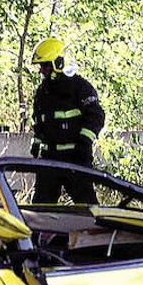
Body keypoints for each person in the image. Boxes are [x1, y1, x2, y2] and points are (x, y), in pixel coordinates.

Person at [29, 37, 105, 204]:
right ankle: (43, 232)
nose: (42, 70)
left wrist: (84, 142)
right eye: (42, 66)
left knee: (87, 209)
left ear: (59, 62)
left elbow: (96, 116)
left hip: (76, 159)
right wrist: (37, 142)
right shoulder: (42, 92)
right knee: (41, 209)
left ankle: (95, 231)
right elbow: (40, 123)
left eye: (46, 65)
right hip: (50, 160)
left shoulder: (80, 87)